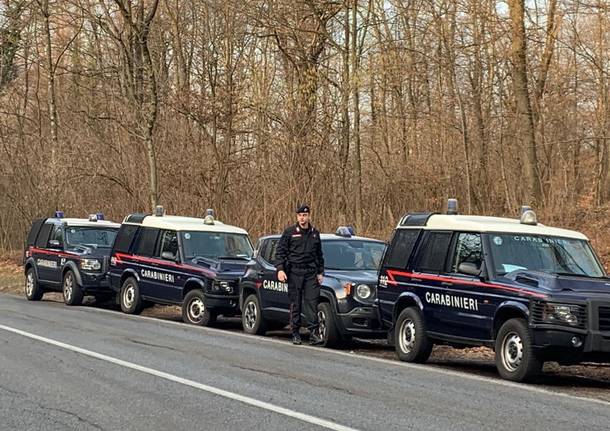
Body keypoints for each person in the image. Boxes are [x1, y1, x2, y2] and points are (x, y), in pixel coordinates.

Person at [276, 204, 325, 345]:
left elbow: (319, 255)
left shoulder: (315, 233)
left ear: (309, 216)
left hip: (310, 273)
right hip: (294, 272)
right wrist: (280, 269)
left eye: (304, 215)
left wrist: (320, 272)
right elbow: (280, 252)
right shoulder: (290, 232)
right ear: (297, 216)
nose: (302, 218)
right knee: (296, 304)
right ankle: (295, 333)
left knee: (312, 303)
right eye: (300, 215)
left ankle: (314, 333)